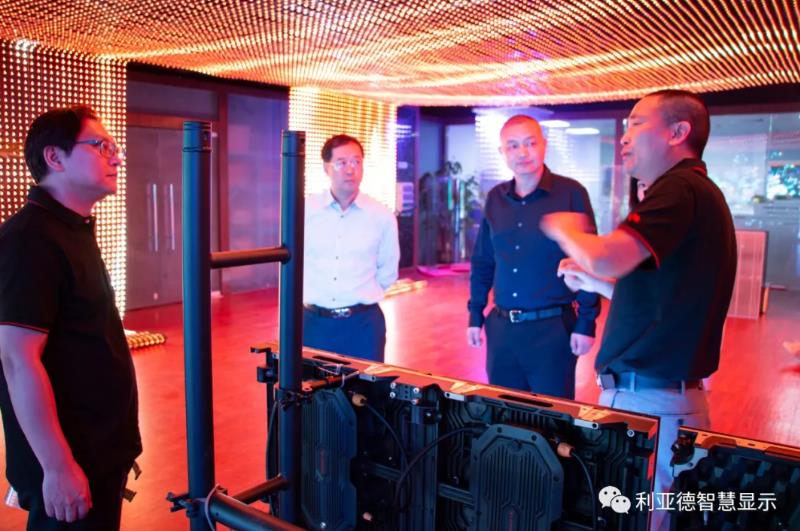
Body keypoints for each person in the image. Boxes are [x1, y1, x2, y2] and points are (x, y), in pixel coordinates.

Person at [541, 90, 736, 531]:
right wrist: (593, 282)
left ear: (678, 132)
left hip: (653, 399)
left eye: (637, 123)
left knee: (646, 519)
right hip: (654, 396)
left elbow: (609, 256)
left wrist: (567, 229)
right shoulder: (694, 191)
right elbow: (660, 298)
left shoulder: (680, 188)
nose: (625, 137)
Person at [0, 106, 141, 530]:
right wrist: (58, 466)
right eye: (101, 146)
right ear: (55, 157)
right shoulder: (30, 239)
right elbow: (17, 360)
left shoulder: (72, 228)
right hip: (70, 458)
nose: (116, 158)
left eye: (114, 148)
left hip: (98, 449)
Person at [467, 115, 601, 399]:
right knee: (502, 412)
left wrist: (586, 323)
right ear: (503, 152)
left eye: (530, 143)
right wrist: (475, 315)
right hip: (502, 330)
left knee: (554, 417)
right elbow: (483, 262)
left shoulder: (571, 194)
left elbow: (589, 260)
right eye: (513, 146)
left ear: (544, 145)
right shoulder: (495, 198)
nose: (523, 152)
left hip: (553, 329)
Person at [303, 134, 400, 362]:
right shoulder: (305, 211)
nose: (350, 170)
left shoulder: (381, 216)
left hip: (363, 325)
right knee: (312, 384)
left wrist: (361, 292)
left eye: (356, 162)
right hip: (313, 323)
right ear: (326, 168)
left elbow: (388, 271)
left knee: (363, 385)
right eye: (342, 162)